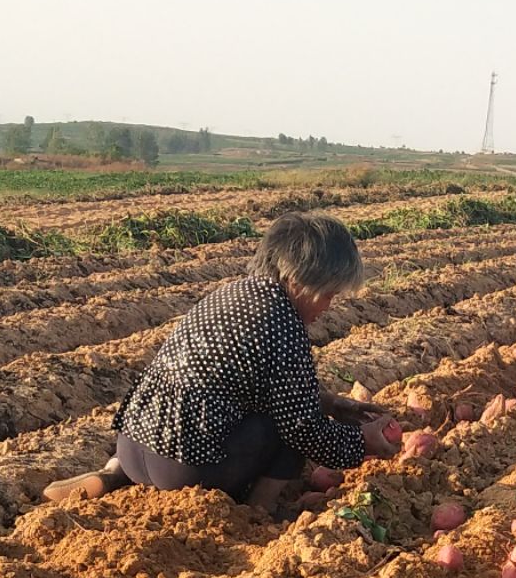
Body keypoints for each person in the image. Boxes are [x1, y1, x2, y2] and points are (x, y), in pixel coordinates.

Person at [43, 211, 398, 511]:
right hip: (185, 470)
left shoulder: (233, 293)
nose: (328, 307)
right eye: (328, 294)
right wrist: (360, 442)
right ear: (297, 281)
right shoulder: (282, 320)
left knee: (263, 406)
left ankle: (113, 475)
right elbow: (303, 427)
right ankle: (258, 511)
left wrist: (333, 402)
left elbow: (257, 379)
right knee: (290, 426)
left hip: (133, 446)